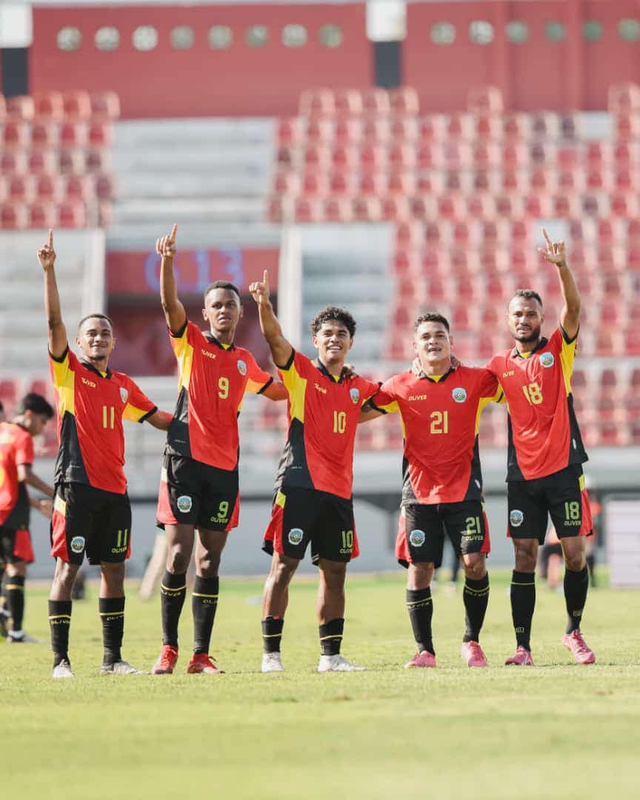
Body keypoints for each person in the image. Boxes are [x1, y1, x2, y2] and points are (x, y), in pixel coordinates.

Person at [151, 227, 287, 676]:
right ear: (205, 313)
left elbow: (280, 391)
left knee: (211, 558)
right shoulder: (189, 342)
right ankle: (168, 649)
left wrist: (325, 384)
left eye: (230, 304)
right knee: (178, 554)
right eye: (216, 305)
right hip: (185, 460)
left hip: (225, 467)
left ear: (239, 311)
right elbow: (170, 306)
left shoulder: (246, 360)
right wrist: (168, 262)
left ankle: (200, 654)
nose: (224, 311)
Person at [39, 230, 173, 678]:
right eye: (90, 333)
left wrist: (202, 423)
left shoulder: (123, 386)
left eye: (105, 333)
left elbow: (157, 418)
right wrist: (50, 271)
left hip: (115, 490)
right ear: (79, 344)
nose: (98, 338)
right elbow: (54, 324)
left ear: (113, 344)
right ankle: (61, 660)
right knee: (67, 569)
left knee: (114, 572)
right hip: (75, 486)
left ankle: (112, 659)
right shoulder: (69, 374)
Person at [249, 270, 382, 673]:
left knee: (335, 572)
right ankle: (271, 654)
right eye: (327, 333)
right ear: (316, 340)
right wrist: (264, 307)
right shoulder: (301, 373)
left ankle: (331, 657)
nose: (334, 339)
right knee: (284, 566)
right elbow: (274, 340)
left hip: (339, 492)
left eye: (341, 333)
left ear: (350, 342)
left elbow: (392, 401)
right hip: (299, 484)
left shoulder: (359, 386)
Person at [361, 313, 502, 668]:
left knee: (474, 564)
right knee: (419, 569)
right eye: (426, 336)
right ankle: (425, 650)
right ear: (415, 345)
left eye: (440, 335)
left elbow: (514, 391)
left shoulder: (475, 380)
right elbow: (358, 412)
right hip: (419, 496)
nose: (433, 341)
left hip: (465, 491)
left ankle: (472, 642)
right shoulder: (400, 385)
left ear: (451, 341)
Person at [486, 229, 595, 666]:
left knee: (573, 553)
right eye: (517, 313)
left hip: (565, 469)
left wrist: (562, 267)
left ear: (540, 318)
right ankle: (522, 647)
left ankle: (573, 631)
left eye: (531, 313)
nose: (524, 319)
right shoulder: (498, 367)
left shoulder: (557, 353)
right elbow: (460, 387)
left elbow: (574, 309)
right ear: (508, 319)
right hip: (522, 476)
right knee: (524, 556)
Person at [0, 393, 55, 642]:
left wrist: (34, 503)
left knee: (5, 567)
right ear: (30, 415)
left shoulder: (2, 431)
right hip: (11, 512)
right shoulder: (22, 437)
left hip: (5, 507)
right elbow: (24, 475)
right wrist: (54, 492)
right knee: (17, 567)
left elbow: (9, 479)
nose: (42, 429)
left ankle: (4, 623)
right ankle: (17, 631)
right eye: (43, 422)